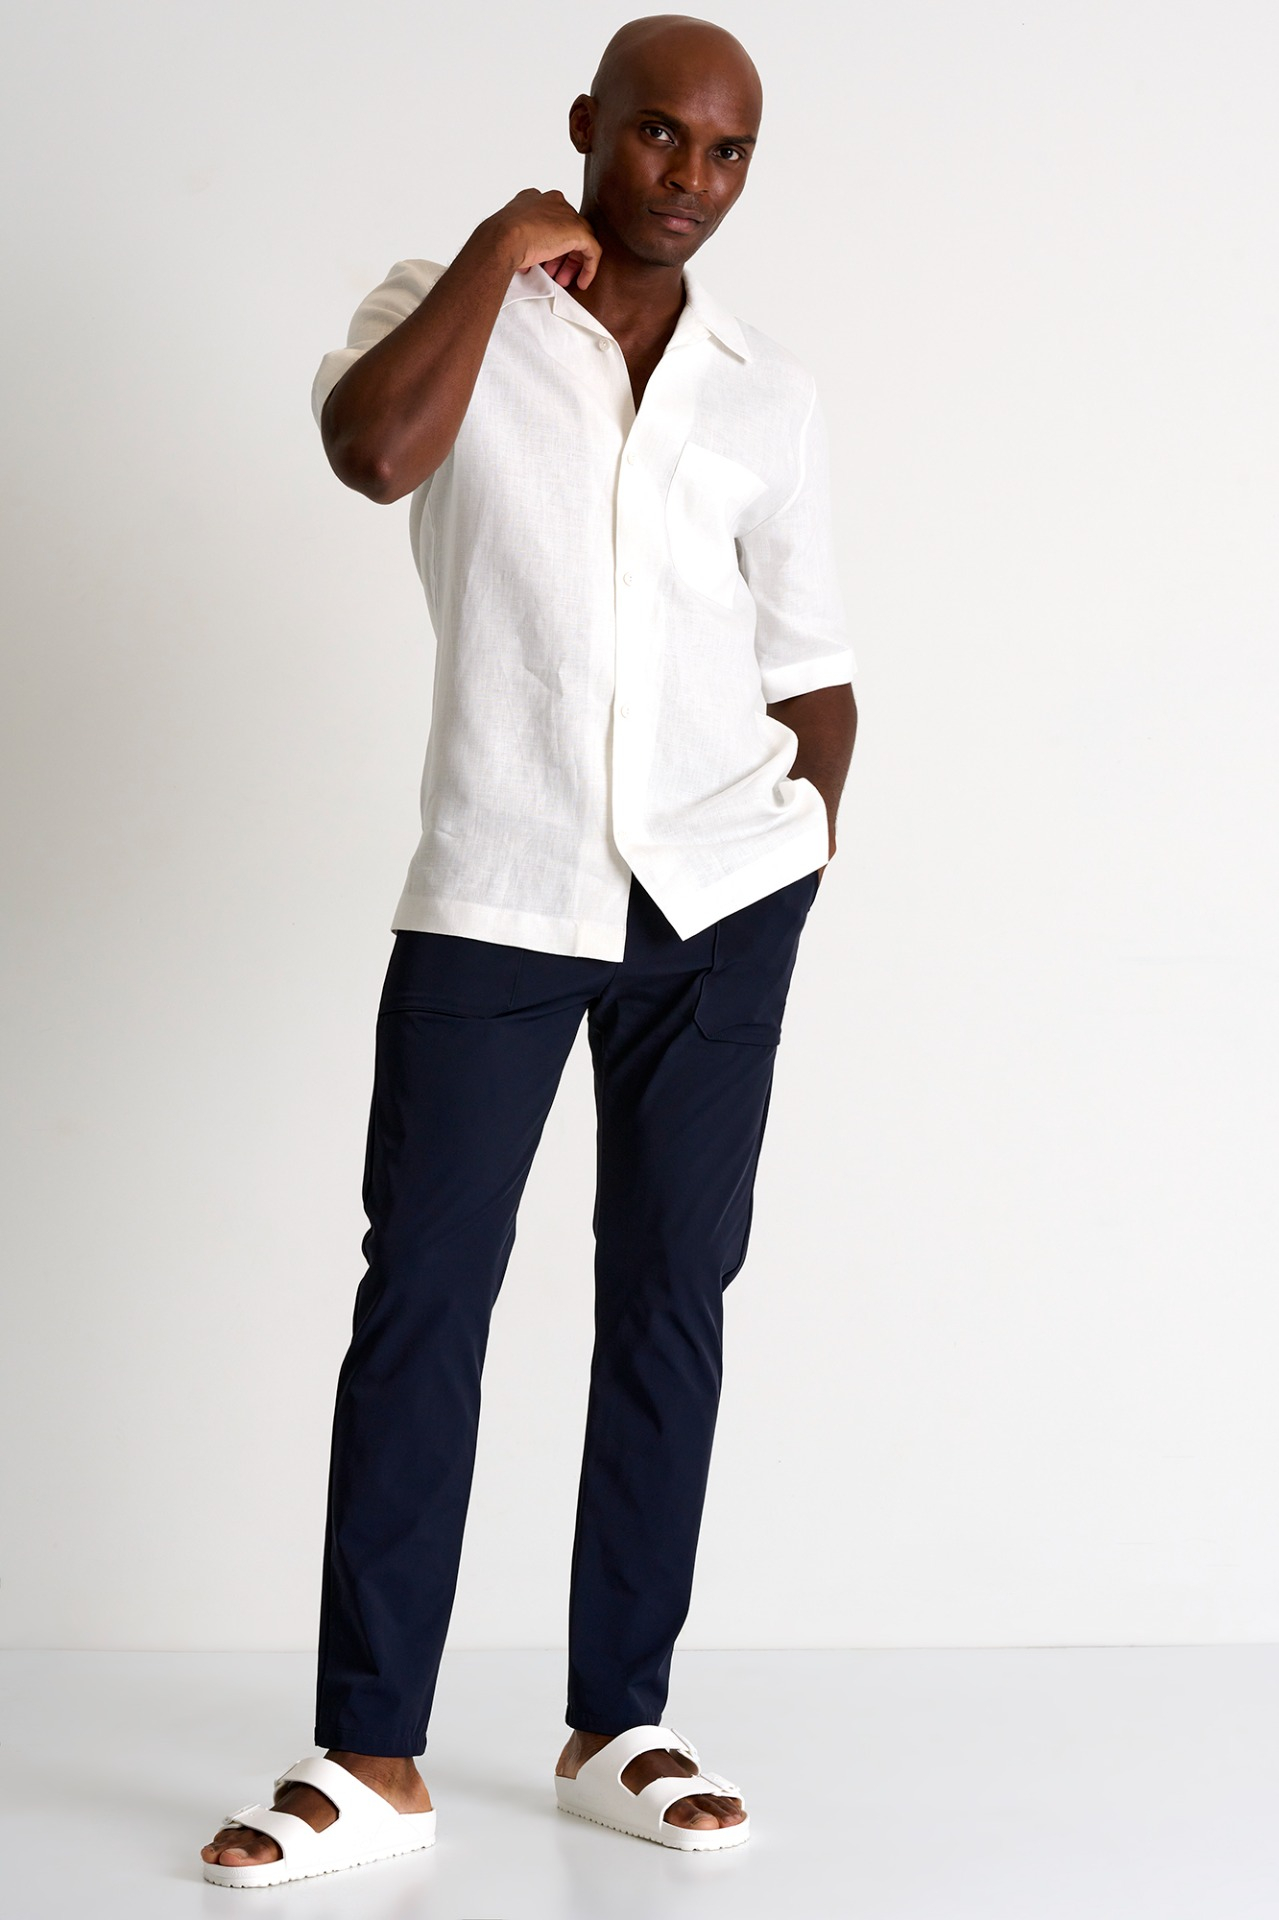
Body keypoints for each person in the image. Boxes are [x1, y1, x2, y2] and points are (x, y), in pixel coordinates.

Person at [201, 10, 857, 1886]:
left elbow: (815, 664)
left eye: (727, 153)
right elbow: (367, 454)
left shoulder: (764, 390)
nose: (691, 178)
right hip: (497, 888)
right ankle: (369, 1754)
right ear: (588, 125)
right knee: (423, 1298)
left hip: (718, 908)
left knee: (669, 1300)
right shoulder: (447, 311)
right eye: (659, 135)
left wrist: (801, 846)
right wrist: (496, 251)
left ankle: (618, 1721)